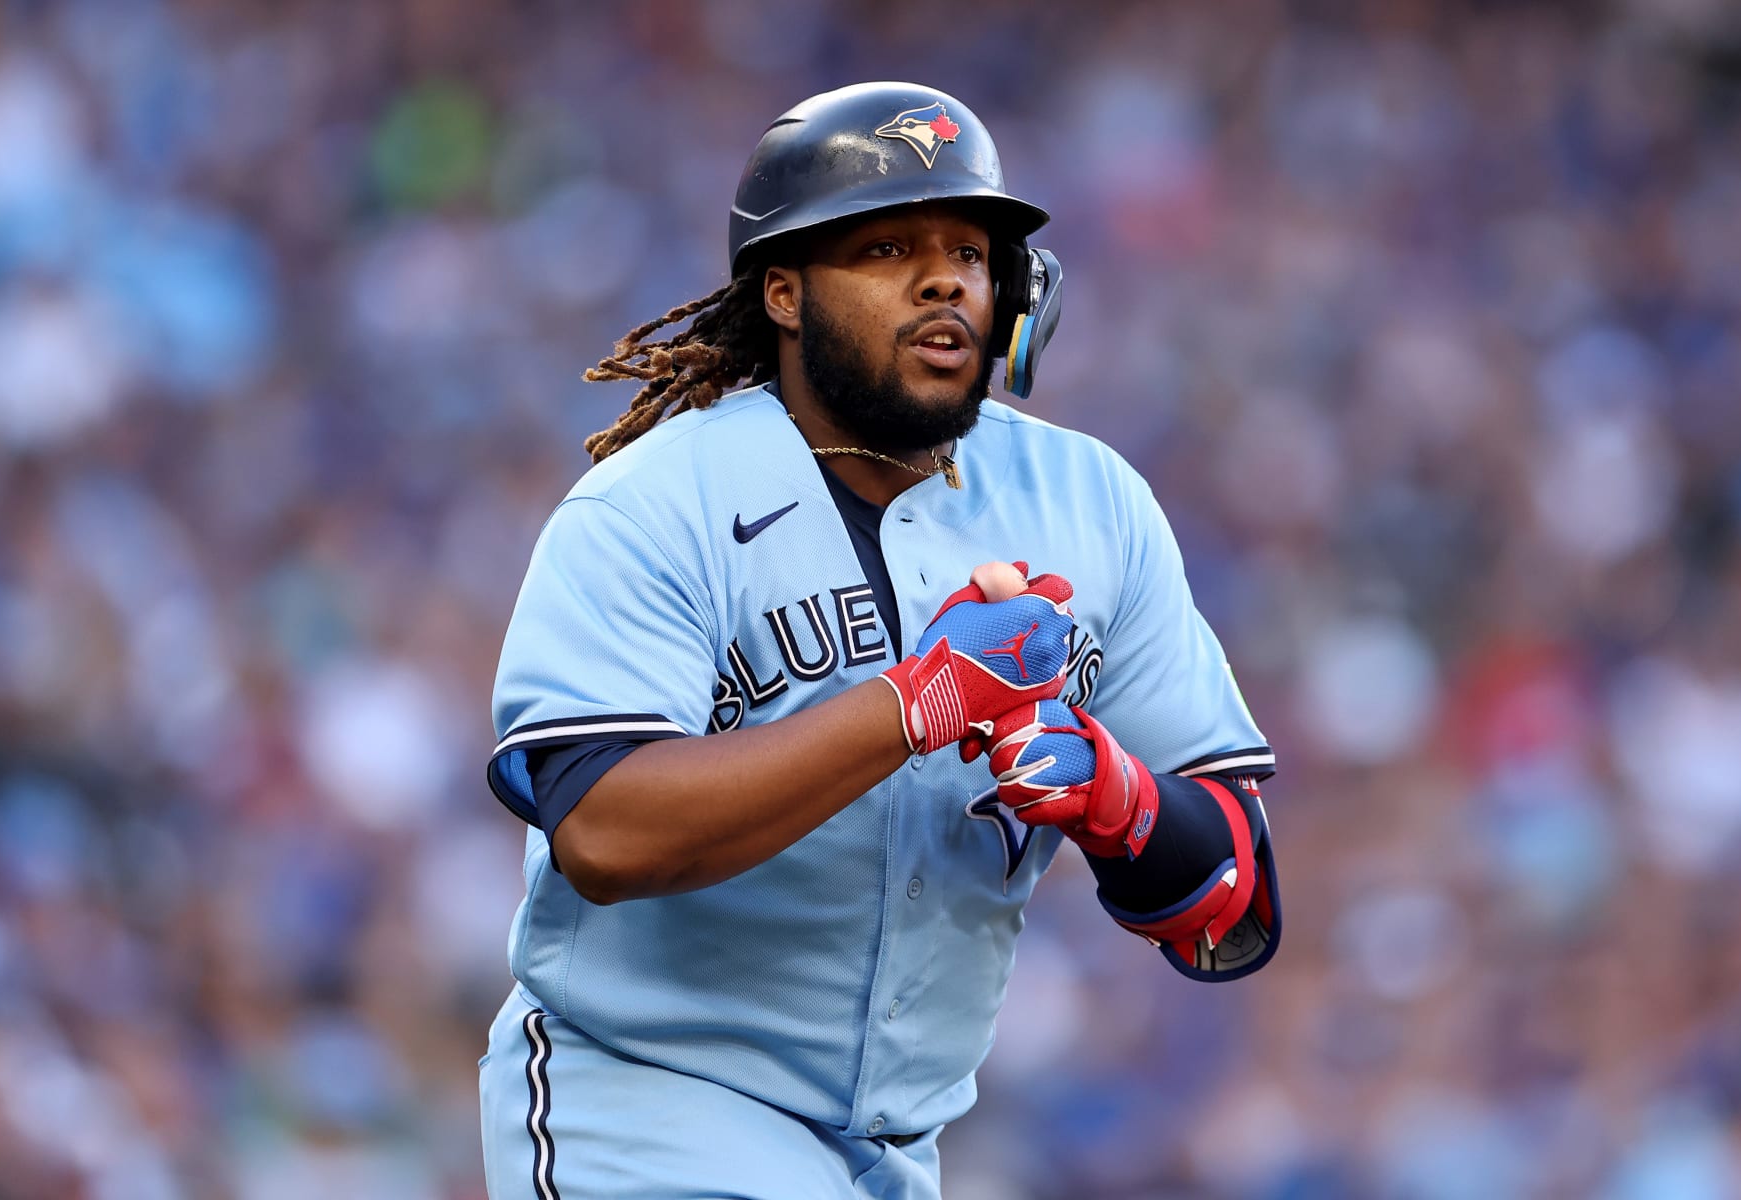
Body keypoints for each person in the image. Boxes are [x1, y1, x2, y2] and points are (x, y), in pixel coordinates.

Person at [478, 81, 1280, 1200]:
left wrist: (1120, 798)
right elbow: (604, 835)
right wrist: (917, 702)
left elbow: (1237, 907)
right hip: (645, 1107)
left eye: (970, 247)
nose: (945, 275)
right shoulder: (656, 502)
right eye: (890, 245)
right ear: (785, 293)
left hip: (896, 1153)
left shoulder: (1092, 506)